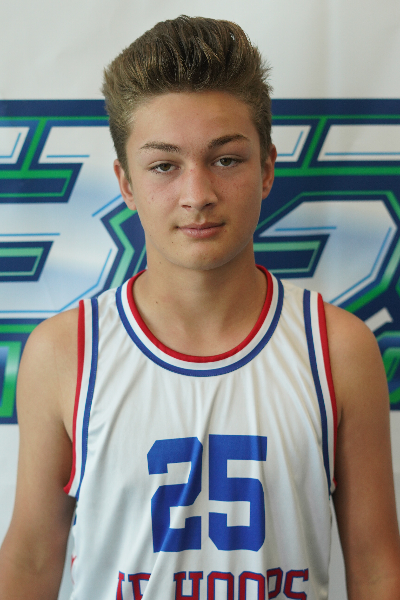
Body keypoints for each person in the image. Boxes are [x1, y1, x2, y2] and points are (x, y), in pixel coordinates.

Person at [0, 15, 399, 600]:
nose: (198, 195)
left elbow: (376, 566)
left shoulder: (338, 348)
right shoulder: (65, 352)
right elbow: (32, 557)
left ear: (267, 168)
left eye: (226, 159)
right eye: (165, 165)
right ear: (126, 183)